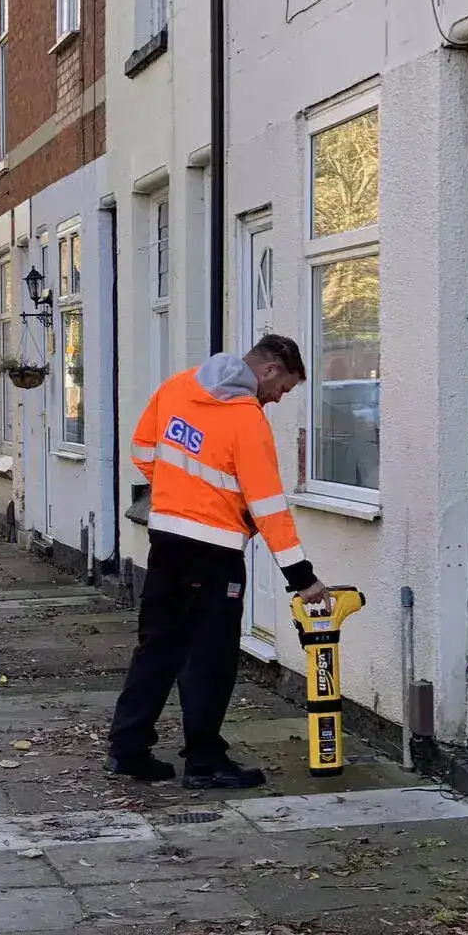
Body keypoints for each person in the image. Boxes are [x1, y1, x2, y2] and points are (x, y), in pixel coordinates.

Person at [108, 334, 331, 789]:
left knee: (157, 647)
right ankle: (205, 762)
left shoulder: (175, 387)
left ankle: (128, 749)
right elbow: (268, 506)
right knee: (210, 658)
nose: (277, 398)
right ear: (268, 370)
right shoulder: (245, 420)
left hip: (166, 538)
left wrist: (178, 494)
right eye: (282, 389)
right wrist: (302, 579)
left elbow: (142, 451)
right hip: (213, 553)